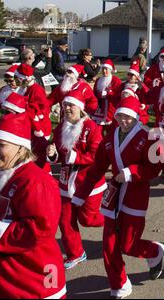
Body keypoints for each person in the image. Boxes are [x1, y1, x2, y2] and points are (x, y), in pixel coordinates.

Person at [72, 97, 164, 299]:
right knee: (109, 245)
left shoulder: (147, 137)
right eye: (120, 116)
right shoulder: (110, 136)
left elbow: (154, 168)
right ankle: (120, 284)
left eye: (128, 117)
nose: (123, 120)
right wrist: (79, 197)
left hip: (135, 196)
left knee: (129, 245)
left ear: (135, 117)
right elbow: (96, 169)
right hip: (113, 195)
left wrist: (131, 172)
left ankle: (154, 251)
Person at [0, 113, 66, 298]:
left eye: (1, 145)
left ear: (20, 149)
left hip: (30, 276)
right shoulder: (1, 174)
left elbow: (39, 229)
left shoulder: (35, 181)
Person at [46, 90, 105, 270]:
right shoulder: (59, 129)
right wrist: (53, 154)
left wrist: (74, 157)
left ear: (80, 108)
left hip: (88, 183)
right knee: (65, 220)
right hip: (66, 182)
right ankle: (76, 253)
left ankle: (115, 219)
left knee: (88, 219)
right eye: (65, 105)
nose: (68, 108)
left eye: (71, 105)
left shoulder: (91, 128)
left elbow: (97, 156)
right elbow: (57, 155)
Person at [14, 64, 52, 172]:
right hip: (32, 126)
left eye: (17, 79)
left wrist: (32, 112)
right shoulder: (27, 89)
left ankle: (45, 174)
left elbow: (44, 108)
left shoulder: (36, 90)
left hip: (40, 128)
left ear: (24, 79)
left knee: (39, 154)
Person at [92, 59, 123, 128]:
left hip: (110, 106)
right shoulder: (99, 80)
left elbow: (118, 94)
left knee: (110, 126)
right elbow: (94, 92)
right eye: (103, 69)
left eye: (106, 69)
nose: (104, 71)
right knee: (98, 126)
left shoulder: (115, 80)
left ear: (110, 70)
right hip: (99, 106)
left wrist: (108, 94)